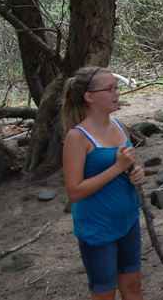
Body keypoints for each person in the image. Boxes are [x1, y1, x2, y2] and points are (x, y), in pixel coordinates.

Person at [62, 66, 146, 300]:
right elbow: (74, 191)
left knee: (133, 288)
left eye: (116, 88)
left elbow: (127, 167)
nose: (116, 93)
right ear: (89, 97)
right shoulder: (77, 137)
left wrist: (137, 173)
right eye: (109, 89)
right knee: (104, 294)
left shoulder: (120, 126)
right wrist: (117, 167)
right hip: (97, 228)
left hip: (128, 220)